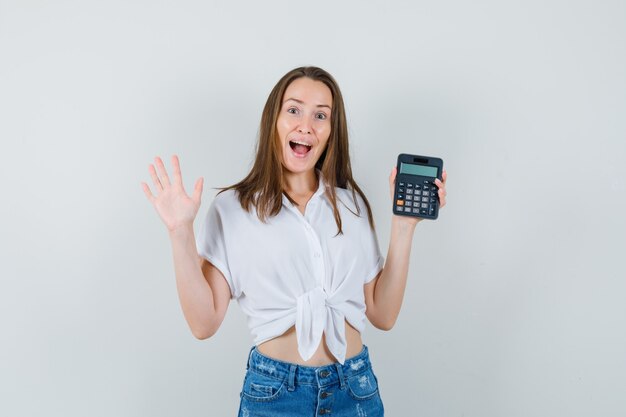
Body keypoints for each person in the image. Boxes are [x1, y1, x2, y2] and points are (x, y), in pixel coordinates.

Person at [141, 66, 447, 417]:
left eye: (321, 115)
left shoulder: (351, 205)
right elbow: (203, 323)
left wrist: (404, 226)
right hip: (276, 395)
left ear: (331, 132)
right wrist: (179, 232)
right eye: (294, 110)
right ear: (274, 120)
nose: (306, 125)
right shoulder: (233, 209)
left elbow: (383, 313)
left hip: (355, 390)